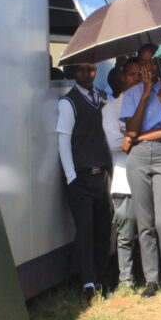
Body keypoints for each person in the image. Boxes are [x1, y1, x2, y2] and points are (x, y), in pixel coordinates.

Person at [121, 54, 161, 300]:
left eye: (152, 63)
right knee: (145, 222)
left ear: (159, 65)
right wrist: (145, 93)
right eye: (143, 64)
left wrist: (137, 136)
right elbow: (131, 128)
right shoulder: (131, 95)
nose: (148, 67)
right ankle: (151, 279)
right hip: (138, 158)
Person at [57, 62, 112, 301]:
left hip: (102, 174)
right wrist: (71, 177)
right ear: (72, 73)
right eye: (80, 70)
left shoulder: (103, 97)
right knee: (85, 230)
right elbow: (63, 141)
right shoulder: (68, 102)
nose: (86, 74)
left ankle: (101, 276)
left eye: (90, 69)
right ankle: (87, 281)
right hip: (80, 176)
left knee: (102, 229)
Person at [103, 58, 141, 290]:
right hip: (123, 178)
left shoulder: (150, 103)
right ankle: (126, 279)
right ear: (122, 79)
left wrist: (130, 134)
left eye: (140, 74)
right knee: (125, 233)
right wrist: (140, 134)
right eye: (131, 75)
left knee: (150, 230)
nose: (136, 79)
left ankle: (149, 276)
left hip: (148, 175)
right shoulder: (111, 108)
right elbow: (115, 142)